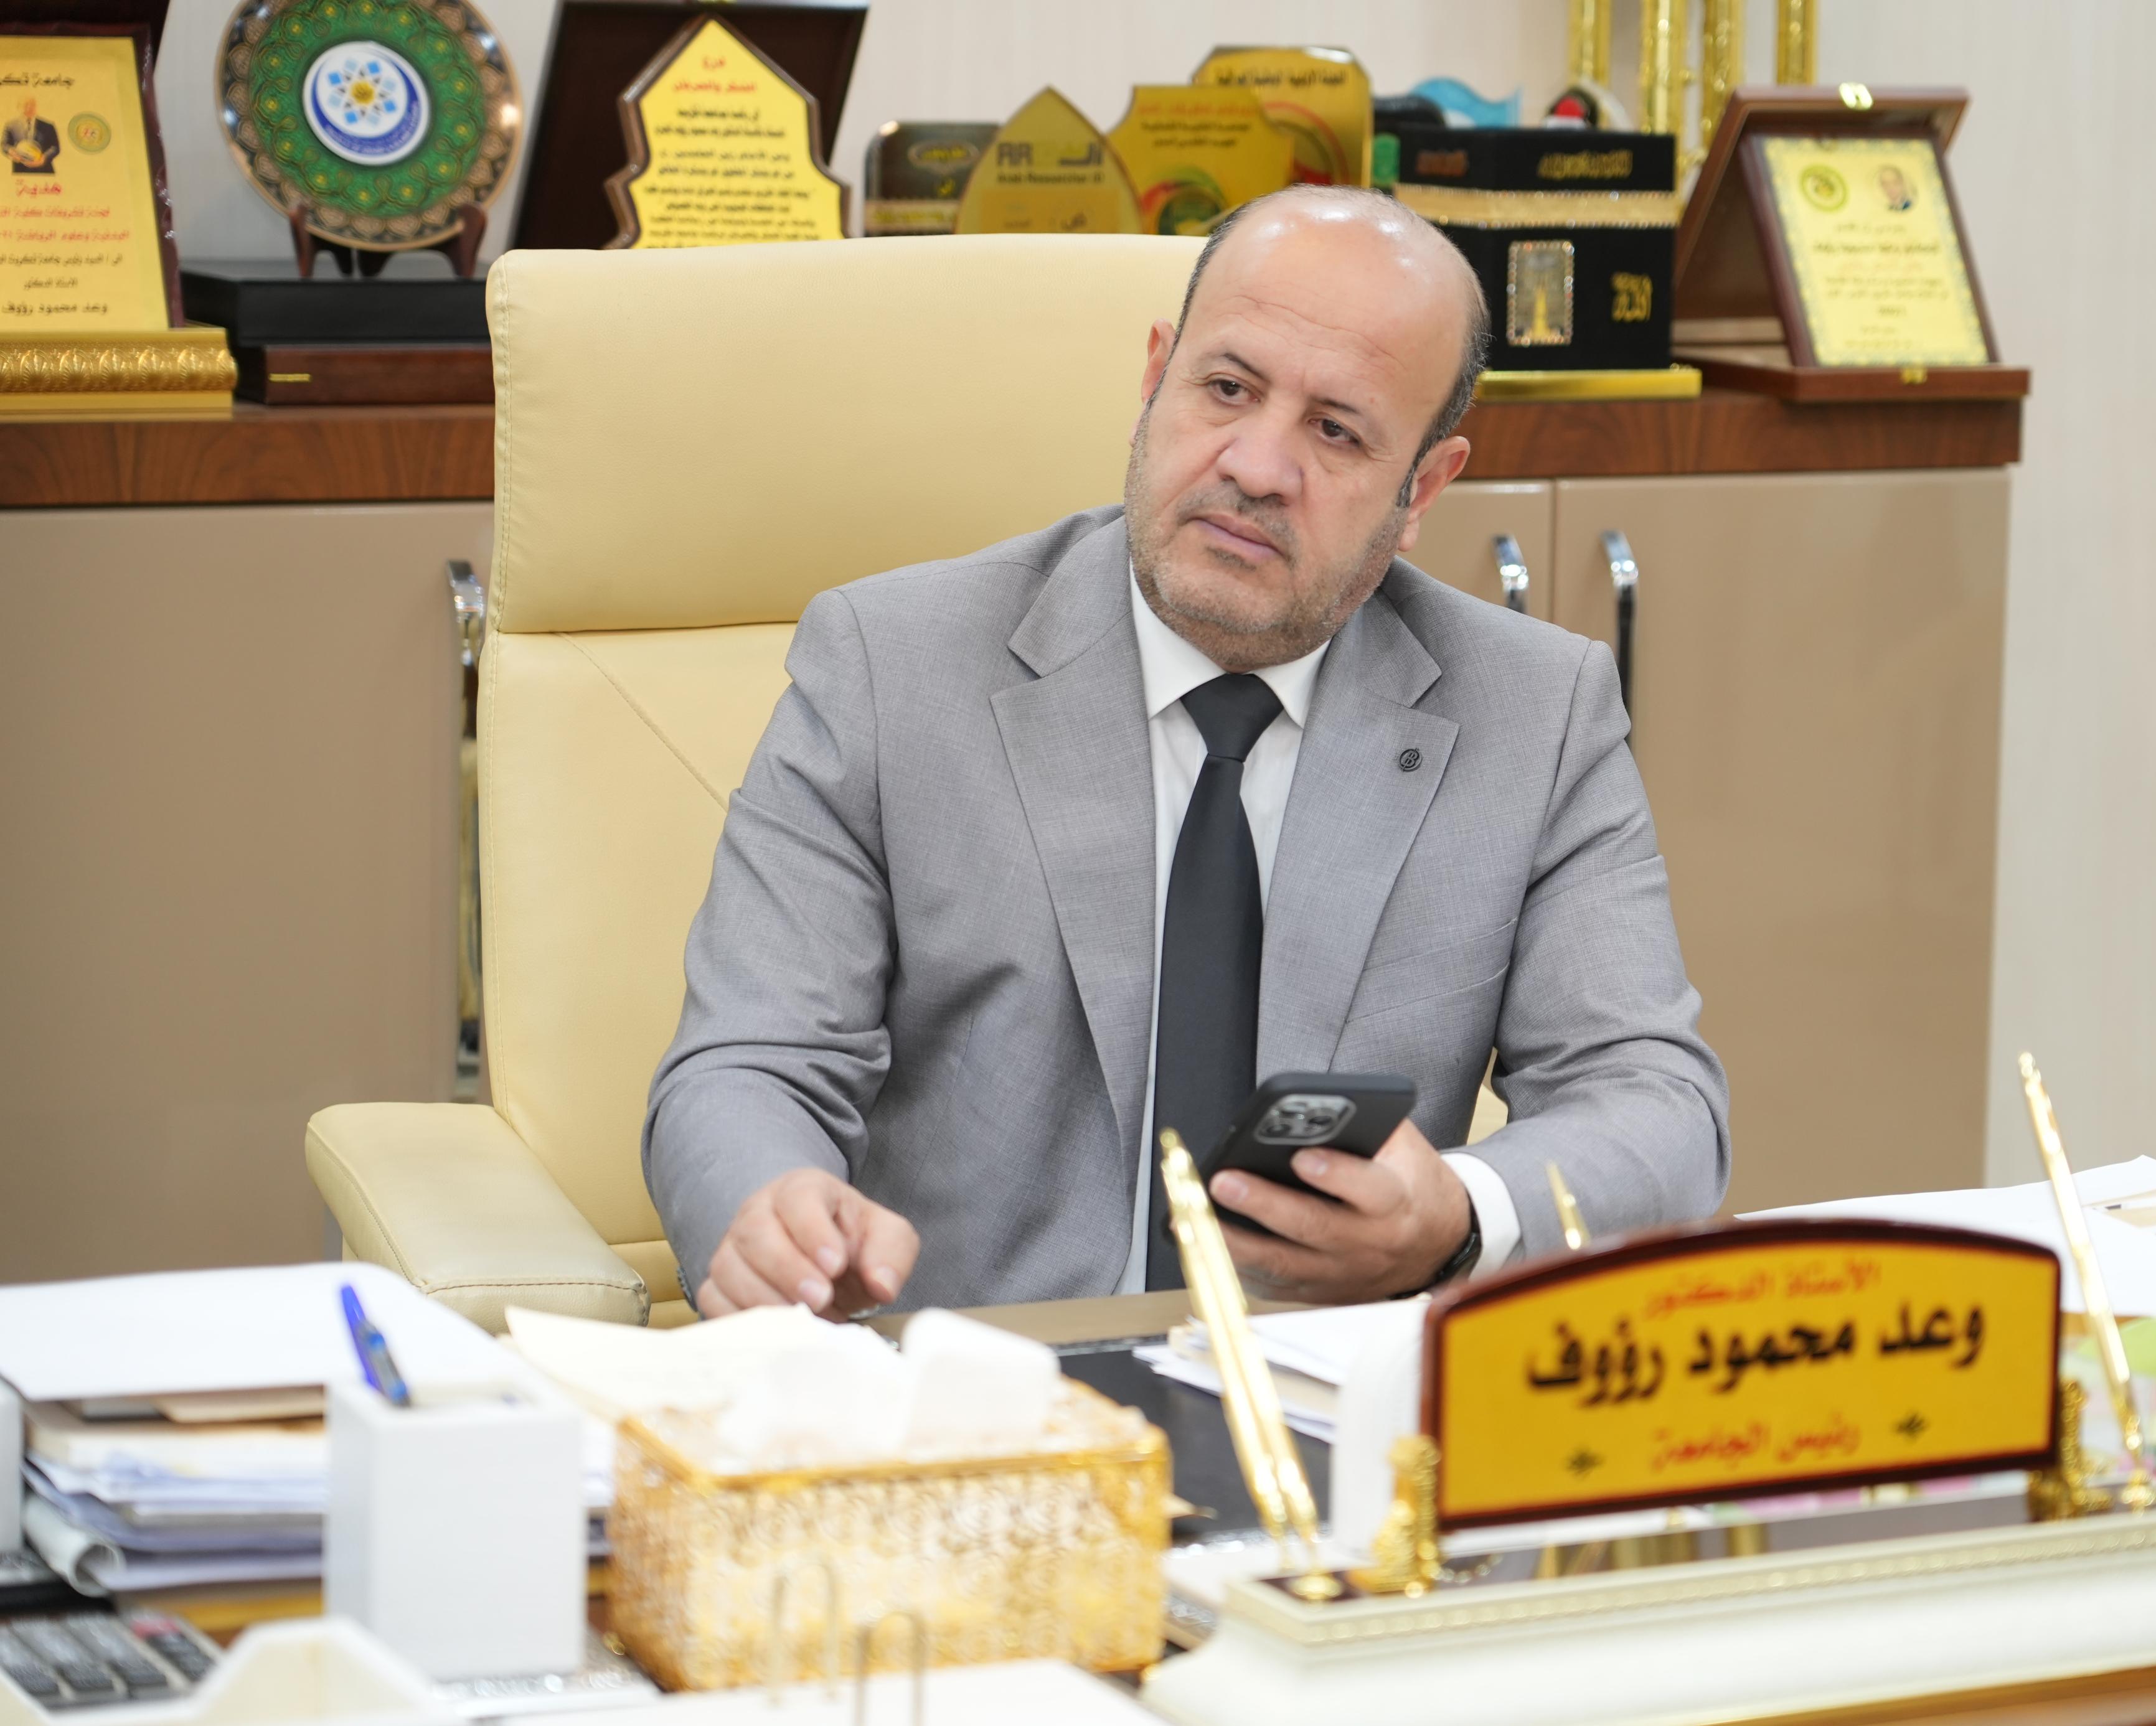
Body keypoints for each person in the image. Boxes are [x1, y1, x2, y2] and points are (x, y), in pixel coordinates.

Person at [646, 184, 1729, 1317]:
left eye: (1337, 430)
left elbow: (1657, 1105)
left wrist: (1457, 1215)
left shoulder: (1535, 714)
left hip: (1335, 1394)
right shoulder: (891, 666)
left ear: (1423, 488)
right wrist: (772, 1209)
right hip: (983, 1383)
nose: (1257, 466)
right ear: (1155, 377)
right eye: (1227, 388)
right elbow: (746, 1066)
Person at [4, 99, 60, 176]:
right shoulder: (10, 126)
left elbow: (55, 147)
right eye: (26, 104)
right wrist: (11, 152)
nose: (30, 107)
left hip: (44, 171)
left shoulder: (48, 126)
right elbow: (4, 144)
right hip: (20, 171)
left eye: (33, 104)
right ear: (18, 107)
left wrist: (44, 158)